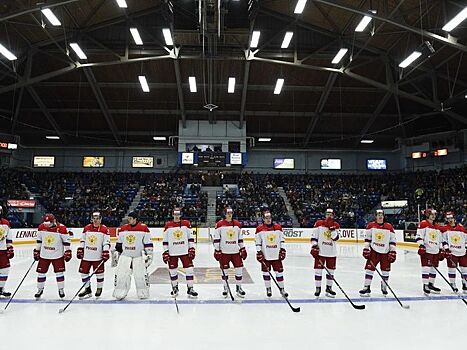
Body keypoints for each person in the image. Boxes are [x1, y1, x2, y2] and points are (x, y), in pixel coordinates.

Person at [113, 212, 153, 300]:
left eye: (131, 218)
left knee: (140, 275)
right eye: (129, 218)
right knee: (121, 274)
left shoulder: (144, 228)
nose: (129, 220)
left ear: (135, 219)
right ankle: (120, 291)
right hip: (125, 255)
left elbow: (148, 243)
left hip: (138, 256)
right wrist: (117, 251)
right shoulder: (123, 229)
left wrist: (149, 254)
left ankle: (143, 291)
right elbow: (119, 243)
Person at [359, 209, 397, 297]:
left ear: (384, 216)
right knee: (369, 270)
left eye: (381, 214)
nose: (380, 216)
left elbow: (392, 240)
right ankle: (366, 287)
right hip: (374, 251)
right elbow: (367, 239)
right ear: (375, 216)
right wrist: (366, 249)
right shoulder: (371, 226)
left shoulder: (389, 227)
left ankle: (384, 286)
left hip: (385, 252)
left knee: (386, 272)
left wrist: (393, 251)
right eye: (378, 214)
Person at [162, 208, 198, 298]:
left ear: (180, 215)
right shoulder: (168, 225)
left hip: (185, 251)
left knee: (189, 270)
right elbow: (165, 240)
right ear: (173, 215)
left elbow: (190, 237)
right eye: (175, 214)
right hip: (172, 252)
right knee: (173, 271)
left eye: (178, 214)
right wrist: (166, 251)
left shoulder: (186, 224)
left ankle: (190, 288)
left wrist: (192, 248)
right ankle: (175, 288)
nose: (177, 216)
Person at [34, 213, 71, 299]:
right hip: (44, 255)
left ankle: (61, 289)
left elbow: (66, 241)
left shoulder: (62, 228)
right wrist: (37, 250)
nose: (46, 225)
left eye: (49, 223)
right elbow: (39, 240)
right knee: (41, 273)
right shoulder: (41, 227)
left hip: (57, 255)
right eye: (45, 223)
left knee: (59, 273)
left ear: (54, 221)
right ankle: (40, 289)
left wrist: (68, 251)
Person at [213, 207, 247, 297]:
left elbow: (240, 238)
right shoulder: (219, 224)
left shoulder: (237, 224)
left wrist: (242, 248)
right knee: (225, 271)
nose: (229, 214)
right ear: (224, 214)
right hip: (224, 252)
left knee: (239, 269)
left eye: (231, 213)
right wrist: (217, 250)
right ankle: (225, 287)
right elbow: (216, 239)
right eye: (228, 213)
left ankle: (239, 287)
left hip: (235, 252)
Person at [77, 212, 111, 299]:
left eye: (97, 219)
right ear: (92, 219)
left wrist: (105, 251)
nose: (95, 220)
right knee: (83, 273)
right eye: (94, 219)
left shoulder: (104, 229)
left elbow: (106, 242)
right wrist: (80, 249)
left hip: (98, 256)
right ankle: (87, 289)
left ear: (100, 219)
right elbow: (83, 240)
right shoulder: (87, 228)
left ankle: (99, 289)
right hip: (86, 256)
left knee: (99, 274)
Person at [255, 211, 287, 297]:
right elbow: (258, 243)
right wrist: (259, 252)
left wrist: (283, 250)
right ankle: (268, 288)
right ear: (263, 219)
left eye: (269, 218)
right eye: (266, 218)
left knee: (279, 272)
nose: (268, 220)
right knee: (266, 273)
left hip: (276, 255)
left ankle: (282, 289)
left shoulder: (278, 227)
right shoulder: (259, 229)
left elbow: (282, 240)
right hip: (266, 255)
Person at [310, 208, 340, 298]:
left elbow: (335, 238)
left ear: (333, 215)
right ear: (325, 215)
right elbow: (313, 238)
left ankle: (329, 288)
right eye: (327, 214)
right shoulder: (319, 223)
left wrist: (332, 229)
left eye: (331, 214)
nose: (329, 216)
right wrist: (314, 246)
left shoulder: (336, 225)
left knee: (331, 271)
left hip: (332, 252)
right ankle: (318, 288)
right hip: (321, 252)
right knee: (318, 271)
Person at [416, 208, 443, 295]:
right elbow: (418, 236)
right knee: (426, 268)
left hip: (435, 250)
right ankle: (425, 285)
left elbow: (440, 239)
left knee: (434, 269)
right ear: (427, 215)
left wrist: (441, 249)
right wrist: (421, 245)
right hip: (427, 250)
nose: (433, 216)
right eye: (431, 214)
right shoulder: (423, 224)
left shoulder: (437, 226)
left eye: (434, 214)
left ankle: (431, 284)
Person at [441, 211, 467, 293]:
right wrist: (446, 249)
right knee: (452, 269)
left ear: (454, 218)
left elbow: (466, 240)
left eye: (451, 218)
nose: (450, 220)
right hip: (452, 253)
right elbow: (443, 240)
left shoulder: (462, 228)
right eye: (448, 218)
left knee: (465, 269)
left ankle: (465, 284)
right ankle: (453, 284)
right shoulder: (445, 229)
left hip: (463, 252)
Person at [0, 206, 13, 297]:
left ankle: (1, 288)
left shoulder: (5, 223)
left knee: (5, 270)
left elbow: (8, 237)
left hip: (2, 251)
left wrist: (10, 248)